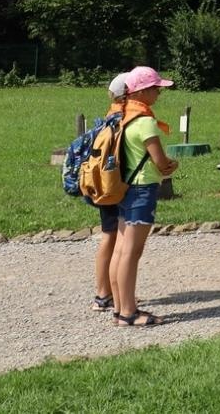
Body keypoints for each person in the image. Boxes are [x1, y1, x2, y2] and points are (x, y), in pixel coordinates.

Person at [111, 66, 180, 325]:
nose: (159, 94)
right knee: (132, 252)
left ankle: (120, 308)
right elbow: (161, 162)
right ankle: (129, 312)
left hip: (124, 187)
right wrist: (173, 165)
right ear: (142, 91)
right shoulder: (145, 121)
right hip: (142, 190)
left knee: (120, 249)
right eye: (156, 89)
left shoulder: (122, 114)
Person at [90, 73, 130, 313]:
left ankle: (104, 293)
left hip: (105, 184)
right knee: (114, 237)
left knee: (109, 235)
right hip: (116, 184)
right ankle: (108, 294)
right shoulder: (122, 118)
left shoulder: (109, 115)